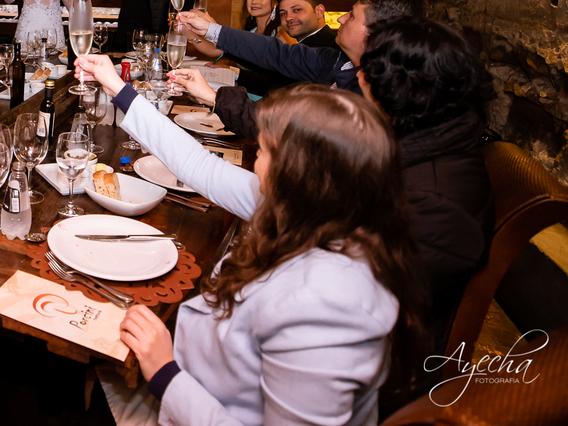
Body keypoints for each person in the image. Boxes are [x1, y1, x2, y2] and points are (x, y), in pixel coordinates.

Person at [74, 51, 422, 426]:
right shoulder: (319, 210)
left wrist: (164, 372)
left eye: (267, 150)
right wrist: (117, 87)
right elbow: (200, 166)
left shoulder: (328, 307)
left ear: (299, 172)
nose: (256, 160)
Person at [359, 19, 494, 336]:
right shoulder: (432, 140)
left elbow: (366, 307)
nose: (358, 77)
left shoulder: (436, 205)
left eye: (368, 71)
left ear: (398, 89)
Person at [176, 0, 428, 120]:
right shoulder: (338, 60)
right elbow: (276, 54)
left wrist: (213, 97)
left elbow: (293, 125)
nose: (340, 19)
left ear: (377, 30)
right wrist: (210, 29)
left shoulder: (380, 94)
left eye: (351, 15)